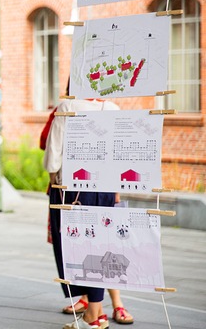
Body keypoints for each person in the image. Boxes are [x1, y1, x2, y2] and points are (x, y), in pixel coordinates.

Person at [44, 91, 133, 328]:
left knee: (73, 247)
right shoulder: (112, 108)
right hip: (104, 186)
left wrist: (54, 178)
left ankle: (94, 313)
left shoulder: (67, 106)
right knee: (100, 246)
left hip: (73, 187)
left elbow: (53, 154)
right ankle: (97, 311)